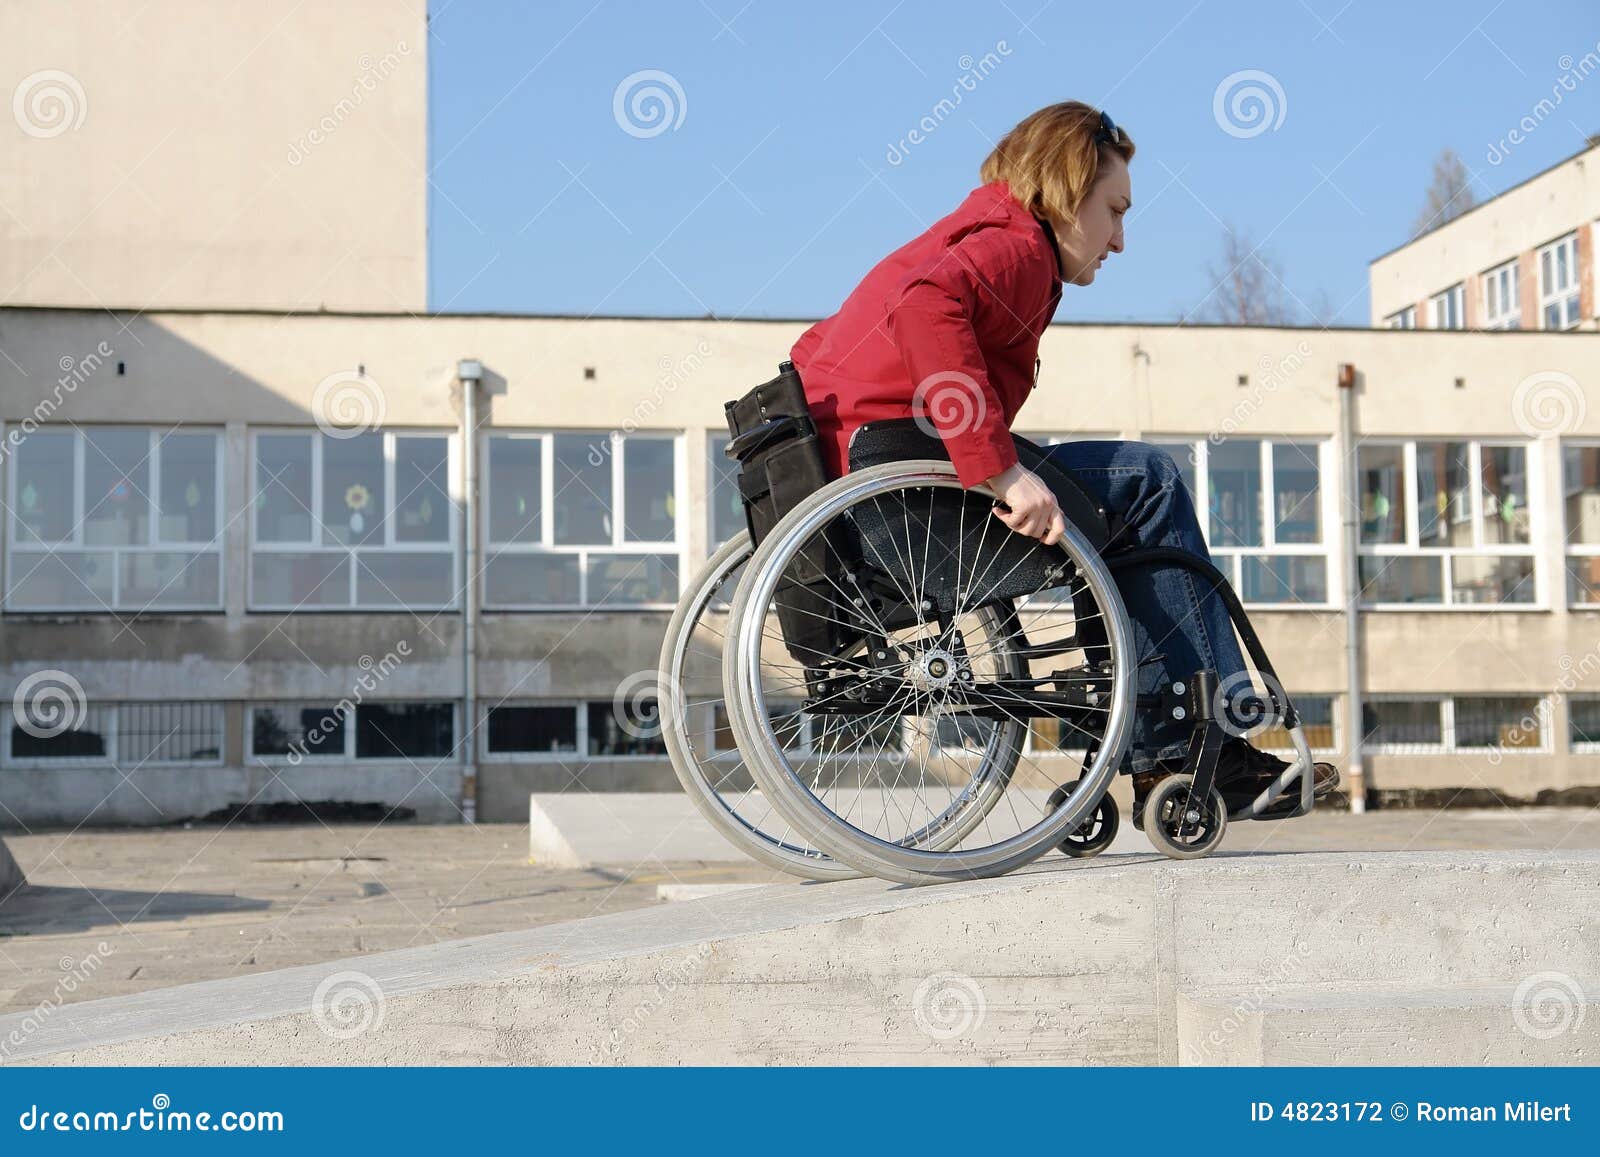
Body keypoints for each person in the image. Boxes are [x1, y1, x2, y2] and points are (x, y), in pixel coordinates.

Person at [788, 101, 1338, 814]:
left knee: (1099, 507)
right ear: (1067, 190)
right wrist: (1000, 468)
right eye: (1114, 210)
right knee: (1145, 481)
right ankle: (1200, 748)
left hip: (867, 489)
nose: (1119, 240)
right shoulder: (1015, 244)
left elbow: (819, 356)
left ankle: (1154, 748)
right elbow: (925, 309)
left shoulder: (972, 235)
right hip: (900, 496)